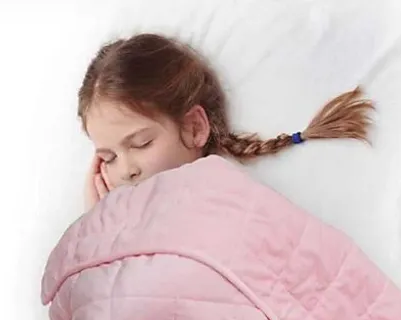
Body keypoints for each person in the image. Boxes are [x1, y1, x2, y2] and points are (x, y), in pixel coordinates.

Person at [79, 32, 376, 212]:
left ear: (194, 127)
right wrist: (99, 227)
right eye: (109, 158)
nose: (126, 171)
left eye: (141, 143)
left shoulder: (223, 204)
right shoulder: (127, 224)